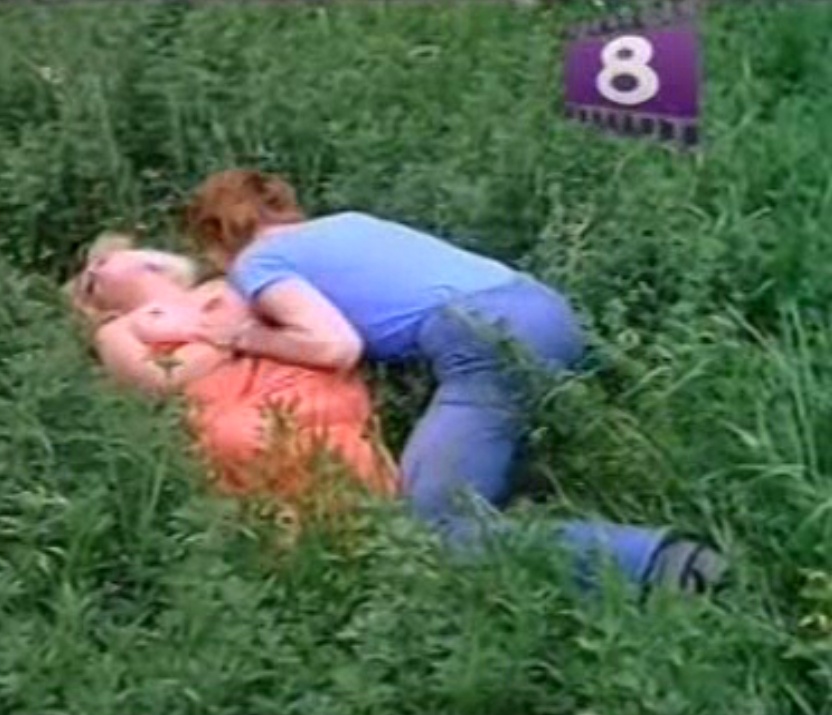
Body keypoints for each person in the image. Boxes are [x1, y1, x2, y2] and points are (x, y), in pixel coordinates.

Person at [182, 168, 727, 595]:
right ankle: (550, 551)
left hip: (482, 338)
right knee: (488, 487)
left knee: (430, 526)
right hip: (544, 310)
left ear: (215, 238)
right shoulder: (348, 223)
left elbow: (334, 346)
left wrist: (244, 336)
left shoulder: (258, 262)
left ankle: (660, 564)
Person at [65, 231, 400, 538]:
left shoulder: (230, 281)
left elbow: (306, 325)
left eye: (105, 259)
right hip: (226, 399)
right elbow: (154, 379)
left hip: (290, 373)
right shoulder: (117, 329)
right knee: (244, 437)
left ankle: (371, 514)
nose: (95, 268)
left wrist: (241, 334)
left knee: (329, 420)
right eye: (90, 280)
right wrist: (228, 338)